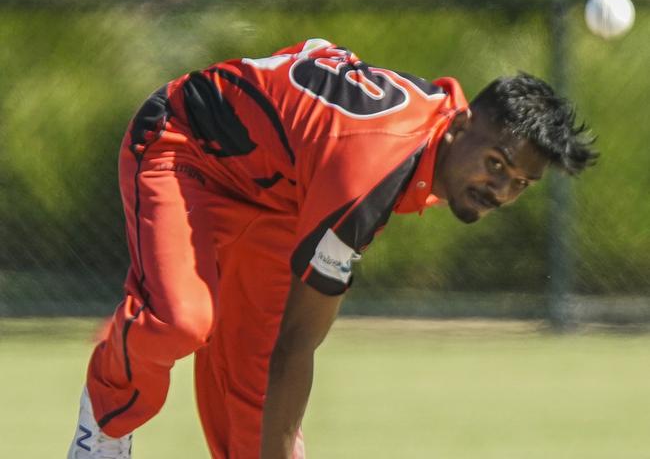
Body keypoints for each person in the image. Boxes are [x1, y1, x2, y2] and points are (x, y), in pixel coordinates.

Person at [67, 38, 596, 459]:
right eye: (497, 165)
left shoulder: (448, 127)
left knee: (254, 389)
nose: (500, 189)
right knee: (182, 321)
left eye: (520, 183)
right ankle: (103, 425)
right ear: (459, 126)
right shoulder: (372, 174)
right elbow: (298, 344)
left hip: (282, 193)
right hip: (187, 146)